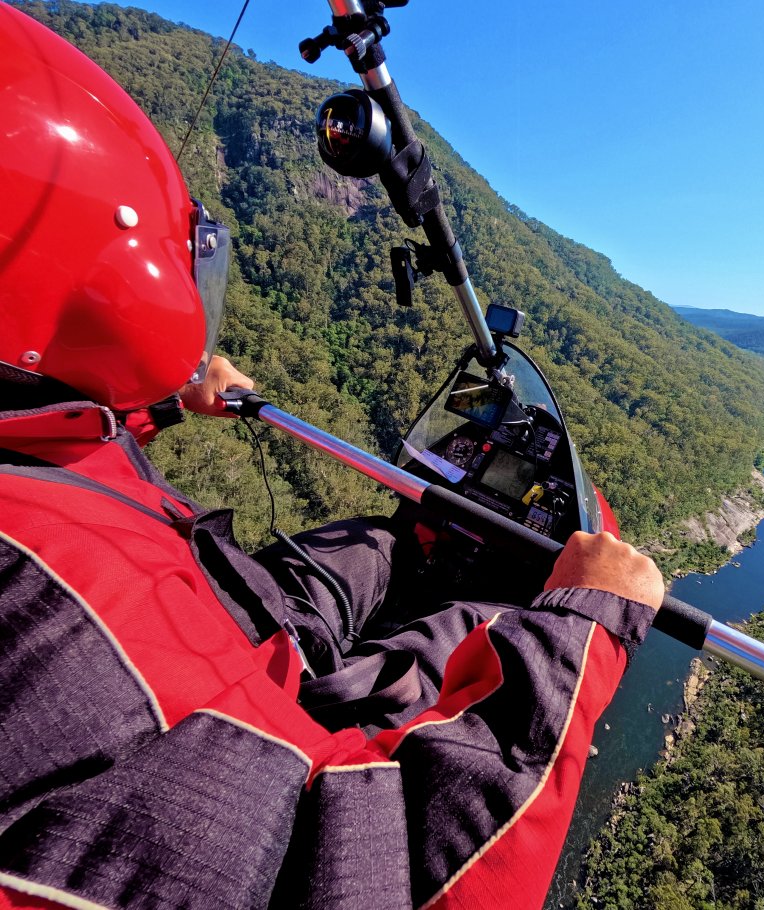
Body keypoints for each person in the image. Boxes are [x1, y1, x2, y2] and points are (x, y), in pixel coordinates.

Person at [0, 6, 664, 910]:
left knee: (382, 544)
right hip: (253, 709)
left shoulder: (35, 485)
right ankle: (462, 602)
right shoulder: (77, 640)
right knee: (457, 620)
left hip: (222, 619)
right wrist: (580, 627)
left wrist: (144, 399)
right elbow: (389, 873)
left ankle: (419, 560)